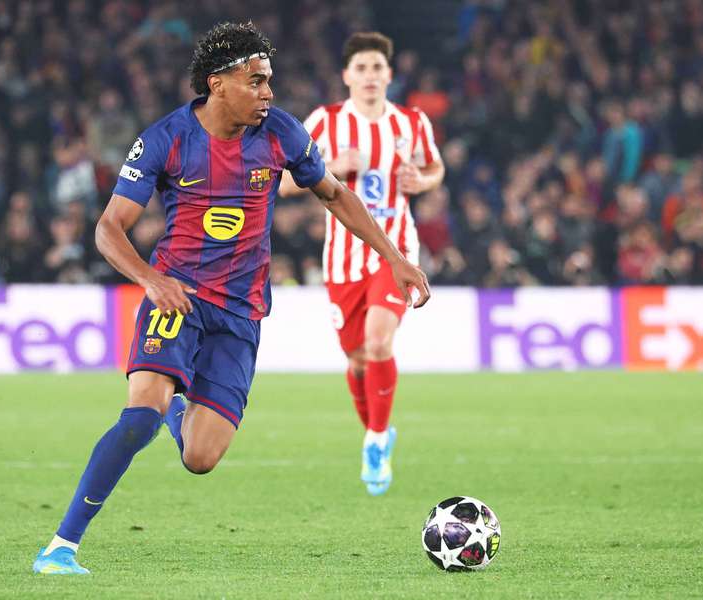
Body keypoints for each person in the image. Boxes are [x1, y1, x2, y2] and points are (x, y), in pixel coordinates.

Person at [33, 22, 430, 575]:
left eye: (269, 80)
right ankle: (61, 546)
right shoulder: (166, 138)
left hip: (242, 312)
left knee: (200, 458)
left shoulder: (282, 133)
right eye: (256, 80)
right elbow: (108, 228)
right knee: (139, 417)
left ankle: (177, 407)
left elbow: (335, 194)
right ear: (218, 84)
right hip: (177, 297)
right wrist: (151, 280)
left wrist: (394, 257)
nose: (269, 92)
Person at [279, 32, 444, 496]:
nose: (370, 76)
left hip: (397, 251)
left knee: (377, 341)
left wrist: (422, 181)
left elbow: (435, 167)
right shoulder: (325, 121)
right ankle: (377, 430)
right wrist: (330, 164)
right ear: (347, 76)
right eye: (362, 68)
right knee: (356, 361)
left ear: (389, 75)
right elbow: (284, 184)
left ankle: (375, 440)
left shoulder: (412, 122)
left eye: (377, 68)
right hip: (343, 258)